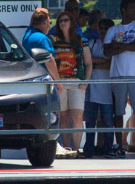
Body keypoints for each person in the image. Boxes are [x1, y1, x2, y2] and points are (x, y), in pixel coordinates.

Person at [101, 0, 135, 158]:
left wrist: (118, 46)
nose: (134, 11)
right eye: (131, 8)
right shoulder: (113, 30)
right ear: (123, 10)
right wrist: (126, 47)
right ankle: (119, 145)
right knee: (118, 111)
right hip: (118, 74)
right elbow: (107, 51)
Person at [47, 10, 88, 155]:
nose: (63, 23)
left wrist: (86, 82)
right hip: (60, 81)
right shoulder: (52, 40)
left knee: (77, 115)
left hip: (77, 81)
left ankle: (77, 149)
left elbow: (88, 63)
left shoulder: (81, 40)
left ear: (72, 22)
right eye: (60, 21)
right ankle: (66, 149)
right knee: (63, 116)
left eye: (66, 20)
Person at [83, 15, 114, 158]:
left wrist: (95, 63)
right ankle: (88, 149)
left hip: (108, 89)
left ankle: (108, 149)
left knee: (108, 121)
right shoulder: (92, 42)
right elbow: (86, 61)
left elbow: (111, 64)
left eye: (106, 29)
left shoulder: (114, 45)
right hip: (91, 88)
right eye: (101, 29)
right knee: (90, 122)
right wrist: (101, 63)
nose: (103, 31)